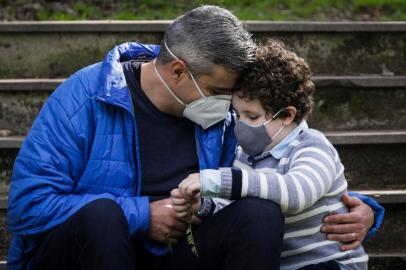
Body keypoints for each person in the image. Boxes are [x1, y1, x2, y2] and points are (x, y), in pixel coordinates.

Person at [7, 5, 382, 270]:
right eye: (219, 91)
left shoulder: (224, 112)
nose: (228, 106)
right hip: (86, 253)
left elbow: (278, 161)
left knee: (258, 213)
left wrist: (354, 208)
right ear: (177, 70)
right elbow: (27, 207)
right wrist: (140, 215)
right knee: (103, 217)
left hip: (172, 255)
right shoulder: (84, 98)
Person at [175, 40, 384, 270]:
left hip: (330, 262)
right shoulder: (245, 155)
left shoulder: (312, 146)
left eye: (252, 117)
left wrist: (217, 180)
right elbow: (230, 206)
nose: (240, 124)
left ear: (286, 115)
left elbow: (296, 193)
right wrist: (202, 205)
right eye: (237, 114)